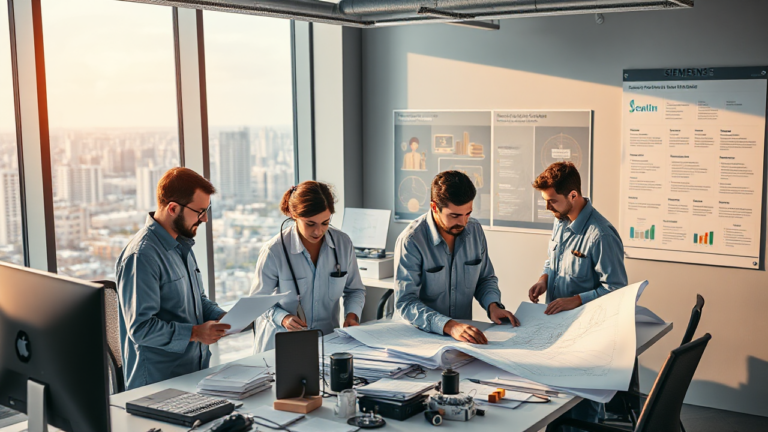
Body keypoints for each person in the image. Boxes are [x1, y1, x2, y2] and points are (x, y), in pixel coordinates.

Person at [528, 162, 628, 431]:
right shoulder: (560, 221)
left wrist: (577, 300)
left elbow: (618, 290)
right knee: (554, 410)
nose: (548, 208)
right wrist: (543, 278)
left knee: (580, 414)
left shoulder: (602, 235)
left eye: (552, 201)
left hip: (587, 338)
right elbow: (552, 261)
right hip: (557, 332)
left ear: (573, 195)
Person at [116, 167, 229, 390]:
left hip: (194, 375)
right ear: (173, 208)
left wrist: (225, 317)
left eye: (207, 210)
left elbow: (198, 301)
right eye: (200, 211)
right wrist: (196, 333)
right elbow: (141, 328)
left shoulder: (182, 244)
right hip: (158, 386)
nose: (205, 218)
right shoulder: (142, 256)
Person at [395, 170, 519, 345]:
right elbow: (406, 302)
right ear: (434, 207)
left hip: (461, 341)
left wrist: (493, 305)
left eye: (467, 214)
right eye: (454, 216)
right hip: (418, 339)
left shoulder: (474, 231)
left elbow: (485, 278)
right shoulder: (411, 240)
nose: (463, 223)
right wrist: (449, 326)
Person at [250, 181, 366, 353]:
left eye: (325, 223)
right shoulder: (274, 251)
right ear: (293, 215)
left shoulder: (343, 244)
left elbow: (355, 290)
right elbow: (257, 302)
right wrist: (283, 318)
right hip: (281, 345)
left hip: (326, 343)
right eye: (310, 224)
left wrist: (352, 315)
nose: (318, 231)